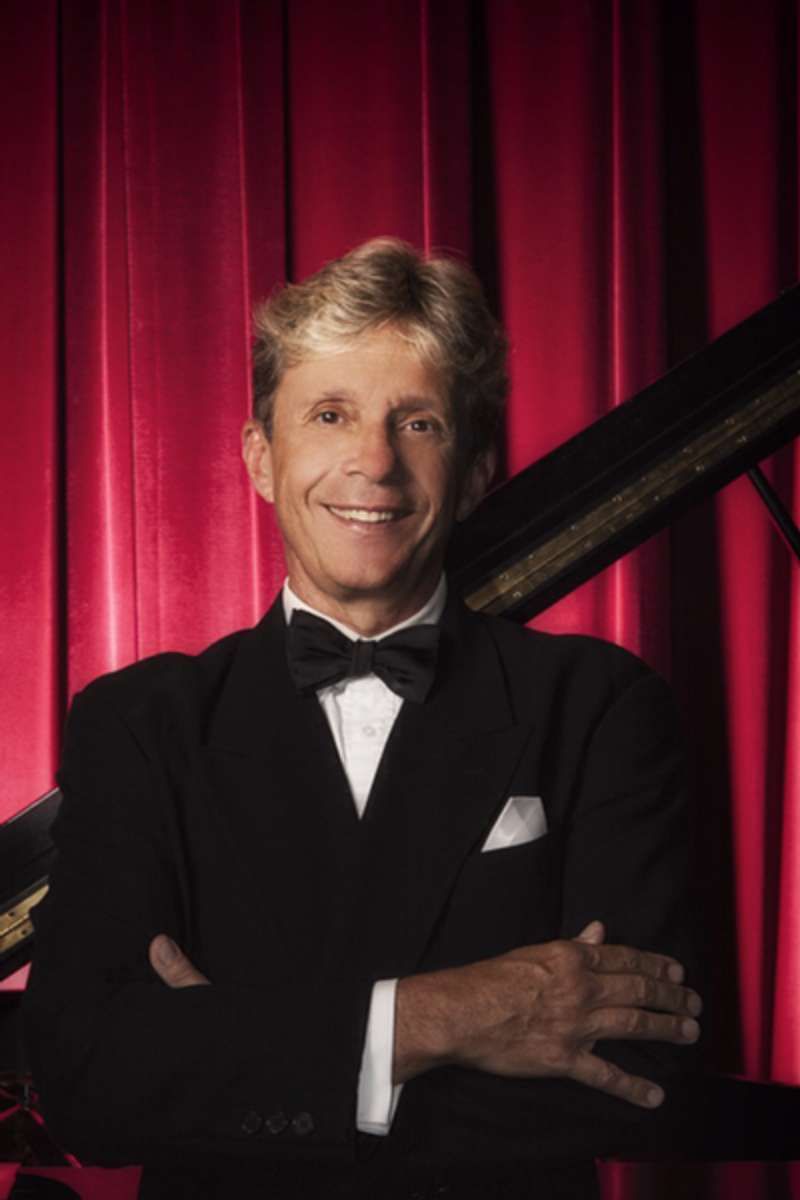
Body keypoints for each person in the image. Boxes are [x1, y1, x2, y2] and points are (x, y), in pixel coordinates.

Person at [25, 239, 701, 1200]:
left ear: (471, 472)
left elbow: (640, 1076)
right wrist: (440, 1019)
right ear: (262, 458)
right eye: (330, 414)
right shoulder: (139, 721)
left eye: (417, 422)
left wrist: (235, 1045)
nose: (374, 462)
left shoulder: (598, 706)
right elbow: (91, 1083)